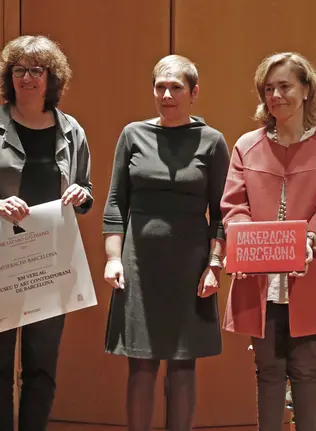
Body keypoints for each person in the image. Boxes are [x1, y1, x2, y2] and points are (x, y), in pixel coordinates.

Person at [0, 35, 93, 431]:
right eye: (19, 69)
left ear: (51, 77)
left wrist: (81, 194)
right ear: (9, 76)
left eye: (36, 70)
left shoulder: (70, 130)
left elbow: (86, 191)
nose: (27, 78)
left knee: (41, 366)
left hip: (49, 260)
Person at [220, 52, 316, 431]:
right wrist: (249, 242)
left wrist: (306, 241)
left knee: (307, 371)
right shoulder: (247, 145)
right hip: (260, 279)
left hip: (310, 275)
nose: (275, 95)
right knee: (268, 371)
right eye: (268, 88)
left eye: (285, 86)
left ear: (306, 89)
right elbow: (234, 205)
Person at [102, 54, 229, 431]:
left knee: (182, 363)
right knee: (140, 363)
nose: (167, 94)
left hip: (190, 266)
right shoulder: (132, 134)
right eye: (161, 86)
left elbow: (222, 214)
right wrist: (113, 258)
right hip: (138, 264)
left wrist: (215, 264)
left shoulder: (211, 141)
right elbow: (114, 202)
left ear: (194, 93)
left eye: (176, 87)